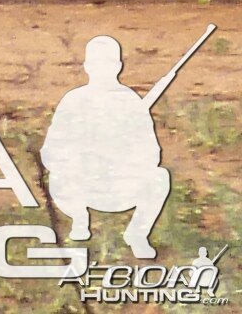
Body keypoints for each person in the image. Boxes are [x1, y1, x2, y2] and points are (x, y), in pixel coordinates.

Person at [47, 35, 179, 259]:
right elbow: (50, 151)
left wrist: (124, 155)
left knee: (159, 177)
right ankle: (79, 220)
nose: (102, 69)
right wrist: (83, 154)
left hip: (120, 186)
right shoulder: (73, 100)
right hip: (81, 186)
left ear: (118, 66)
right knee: (58, 175)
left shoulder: (130, 101)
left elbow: (152, 154)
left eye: (108, 63)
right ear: (87, 66)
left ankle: (137, 233)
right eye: (97, 63)